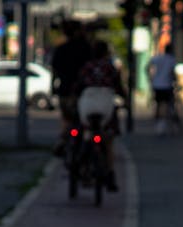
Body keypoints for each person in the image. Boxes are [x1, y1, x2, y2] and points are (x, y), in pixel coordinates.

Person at [75, 40, 126, 191]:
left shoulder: (86, 67)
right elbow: (119, 87)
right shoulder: (110, 68)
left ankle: (83, 163)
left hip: (88, 105)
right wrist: (125, 100)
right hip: (106, 105)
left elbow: (78, 86)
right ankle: (110, 174)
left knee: (85, 130)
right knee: (108, 141)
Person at [49, 20, 91, 155]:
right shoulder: (86, 48)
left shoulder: (61, 49)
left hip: (65, 90)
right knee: (86, 122)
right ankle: (89, 147)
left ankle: (63, 140)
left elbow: (54, 71)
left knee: (67, 120)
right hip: (85, 92)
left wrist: (53, 88)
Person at [145, 43, 178, 134]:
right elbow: (172, 72)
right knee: (166, 104)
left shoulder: (158, 58)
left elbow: (147, 66)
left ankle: (159, 123)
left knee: (159, 104)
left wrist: (151, 78)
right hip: (166, 85)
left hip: (157, 84)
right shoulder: (171, 60)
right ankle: (163, 123)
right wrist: (175, 81)